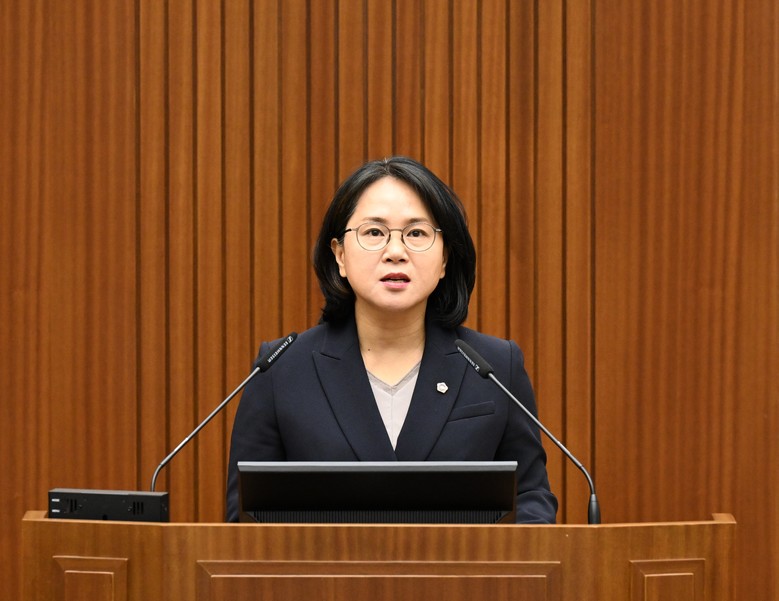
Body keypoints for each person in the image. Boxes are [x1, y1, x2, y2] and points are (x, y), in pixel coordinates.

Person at [225, 156, 557, 523]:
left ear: (445, 259)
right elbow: (247, 518)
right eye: (374, 233)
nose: (396, 252)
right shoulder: (281, 370)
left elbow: (531, 498)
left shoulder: (494, 367)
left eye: (416, 233)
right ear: (340, 255)